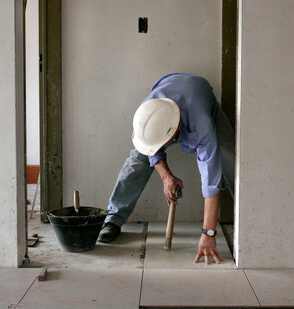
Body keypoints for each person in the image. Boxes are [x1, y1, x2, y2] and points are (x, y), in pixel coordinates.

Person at [98, 73, 235, 265]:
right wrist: (166, 177)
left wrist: (208, 233)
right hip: (167, 91)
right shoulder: (147, 114)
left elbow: (211, 180)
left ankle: (247, 219)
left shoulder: (201, 126)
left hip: (200, 95)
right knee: (136, 162)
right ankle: (113, 218)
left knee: (230, 157)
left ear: (176, 131)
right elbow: (149, 149)